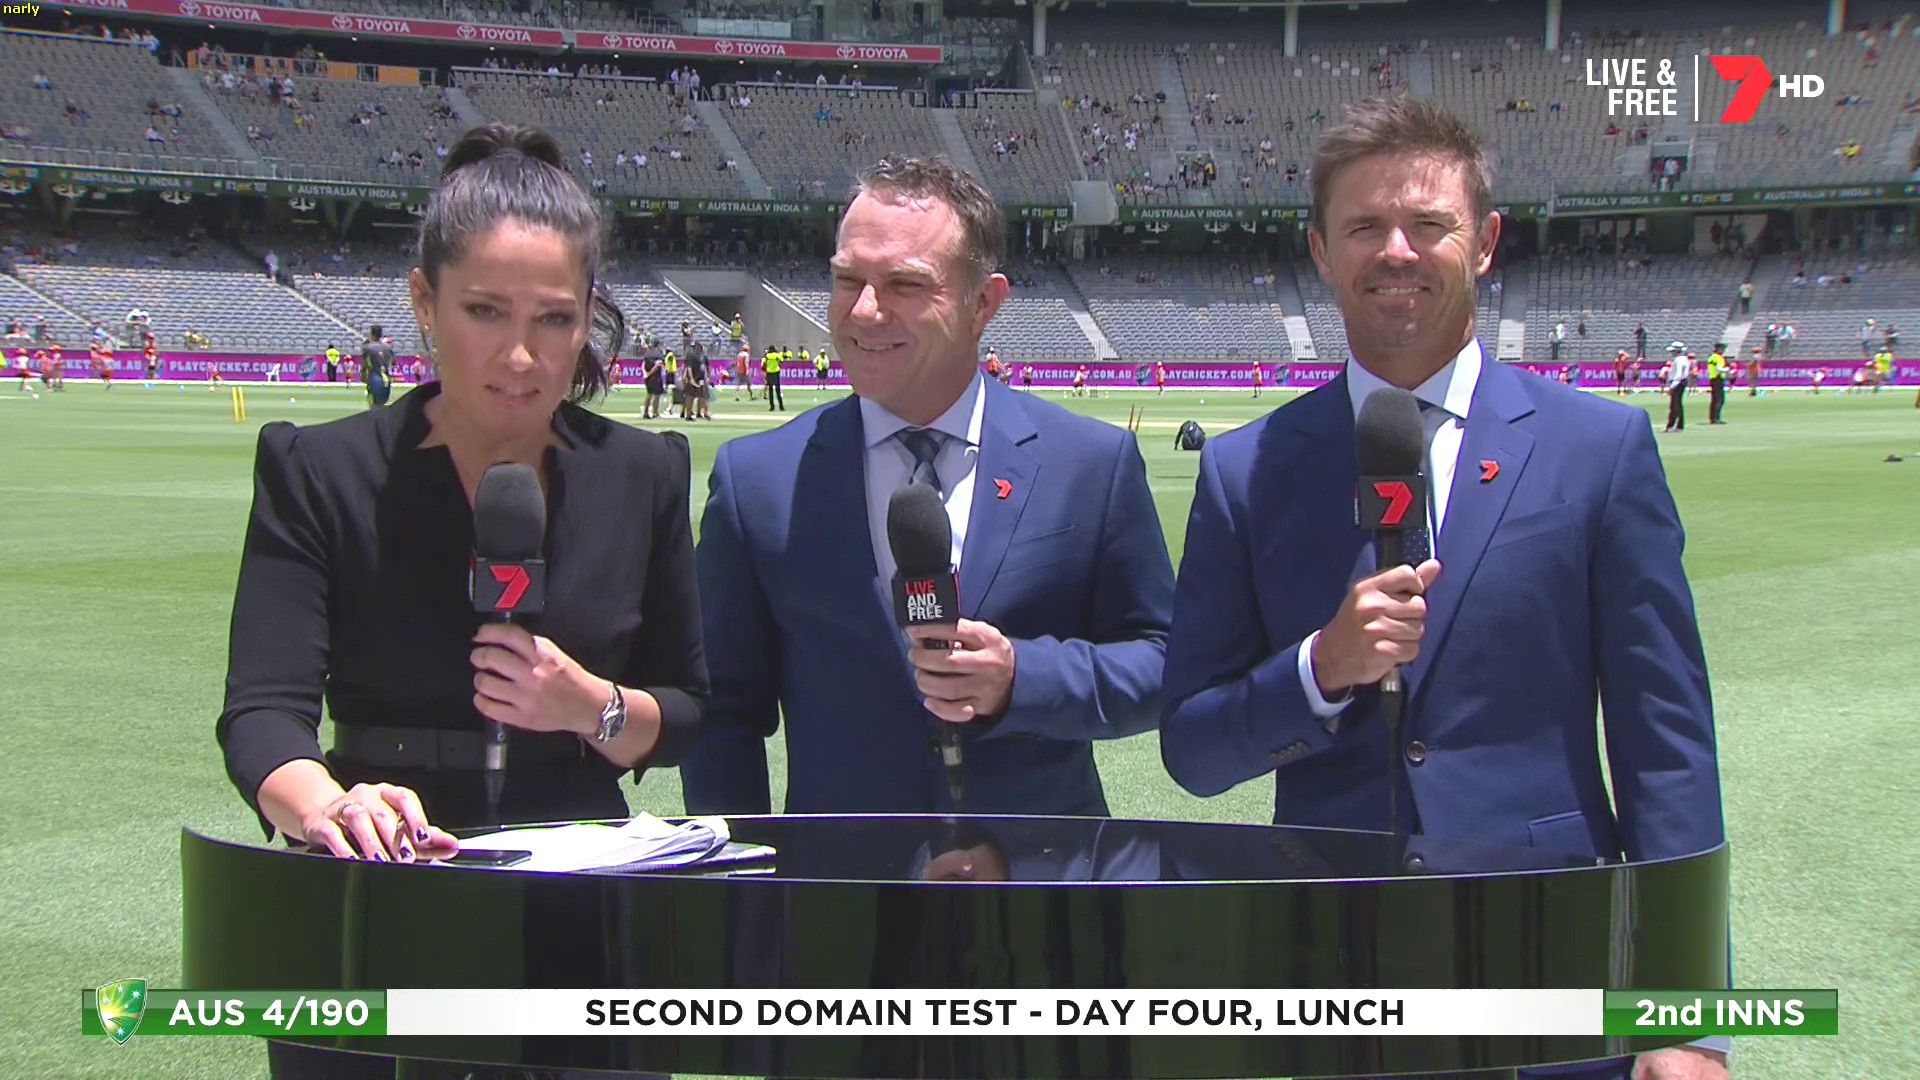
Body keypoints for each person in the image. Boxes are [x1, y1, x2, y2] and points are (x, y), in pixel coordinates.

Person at [1158, 99, 1724, 1080]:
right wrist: (1319, 670)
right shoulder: (1246, 473)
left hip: (1551, 967)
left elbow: (1665, 746)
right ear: (1321, 250)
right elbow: (1193, 751)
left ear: (1486, 241)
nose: (1396, 250)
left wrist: (1686, 1015)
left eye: (1428, 223)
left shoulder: (1600, 451)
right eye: (1365, 226)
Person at [214, 124, 709, 1080]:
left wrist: (591, 706)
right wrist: (328, 804)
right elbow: (262, 712)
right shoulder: (319, 470)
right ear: (424, 302)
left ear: (588, 320)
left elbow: (686, 709)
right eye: (484, 310)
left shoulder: (643, 473)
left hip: (586, 901)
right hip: (376, 887)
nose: (521, 355)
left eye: (554, 319)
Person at [683, 156, 1175, 817]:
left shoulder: (1091, 464)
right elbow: (723, 716)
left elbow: (1164, 662)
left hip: (1039, 870)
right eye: (847, 279)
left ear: (983, 303)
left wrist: (1022, 678)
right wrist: (746, 868)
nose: (864, 310)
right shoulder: (758, 481)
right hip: (844, 877)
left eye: (905, 285)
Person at [360, 323, 395, 407]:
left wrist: (363, 375)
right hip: (386, 380)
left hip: (374, 379)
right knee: (382, 406)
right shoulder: (387, 348)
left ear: (372, 333)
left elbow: (365, 364)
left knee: (374, 406)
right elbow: (392, 362)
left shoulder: (367, 348)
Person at [1664, 344, 1692, 431]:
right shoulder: (1684, 359)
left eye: (1672, 351)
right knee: (1678, 405)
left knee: (1675, 405)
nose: (1671, 353)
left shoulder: (1678, 360)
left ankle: (1671, 425)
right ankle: (1679, 425)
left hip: (1678, 383)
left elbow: (1678, 375)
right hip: (1681, 383)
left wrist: (1672, 387)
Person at [1706, 345, 1728, 424]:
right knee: (1719, 400)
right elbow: (1719, 369)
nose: (1724, 350)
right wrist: (1727, 369)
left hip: (1713, 379)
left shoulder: (1711, 357)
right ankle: (1716, 418)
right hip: (1718, 379)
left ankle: (1712, 418)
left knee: (1714, 400)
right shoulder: (1718, 357)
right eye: (1723, 349)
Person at [762, 342, 785, 411]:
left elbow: (764, 363)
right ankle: (781, 406)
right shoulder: (777, 355)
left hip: (769, 373)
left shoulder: (767, 355)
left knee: (770, 390)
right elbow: (782, 361)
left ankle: (772, 407)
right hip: (776, 372)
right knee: (778, 390)